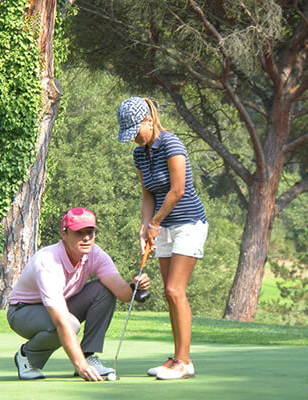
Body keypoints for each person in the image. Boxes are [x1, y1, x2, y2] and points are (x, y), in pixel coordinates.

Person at [117, 97, 208, 380]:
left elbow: (178, 190)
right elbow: (149, 195)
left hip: (188, 224)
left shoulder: (171, 143)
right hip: (163, 227)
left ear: (149, 120)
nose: (133, 137)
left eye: (135, 130)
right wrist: (145, 227)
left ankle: (184, 362)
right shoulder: (139, 154)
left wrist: (155, 222)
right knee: (170, 295)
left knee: (174, 290)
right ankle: (176, 358)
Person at [7, 207, 150, 381]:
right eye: (78, 233)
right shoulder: (48, 261)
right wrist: (80, 365)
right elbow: (61, 321)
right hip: (22, 312)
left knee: (104, 290)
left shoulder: (95, 254)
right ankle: (26, 356)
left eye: (90, 232)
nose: (86, 238)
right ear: (64, 235)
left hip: (61, 305)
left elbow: (122, 293)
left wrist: (135, 286)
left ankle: (89, 355)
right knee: (70, 324)